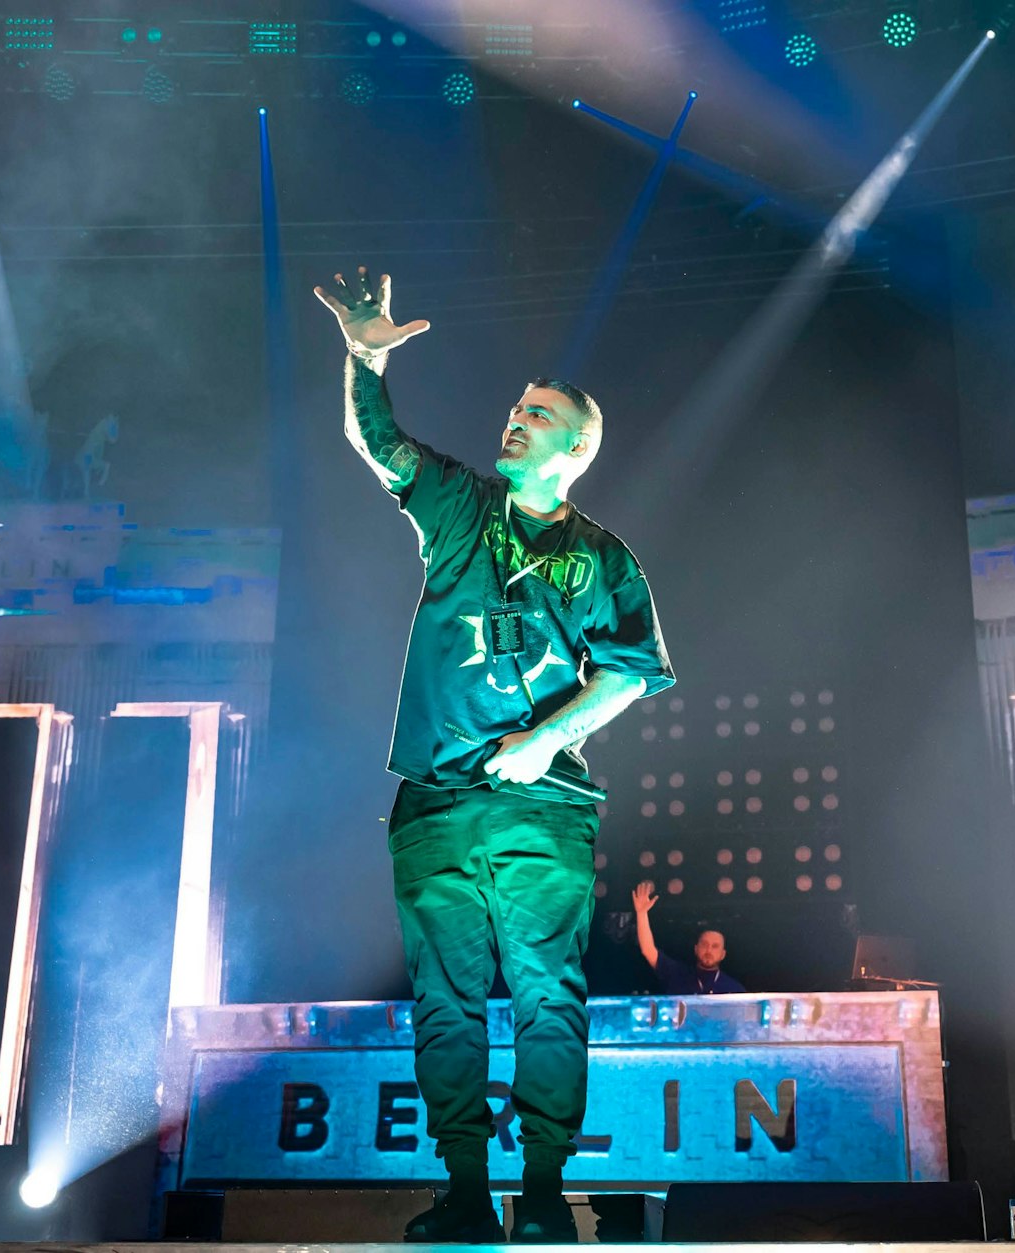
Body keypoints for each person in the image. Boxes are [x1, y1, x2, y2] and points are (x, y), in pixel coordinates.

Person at [314, 267, 675, 1244]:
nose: (515, 420)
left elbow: (632, 673)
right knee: (445, 999)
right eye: (516, 408)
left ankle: (546, 1191)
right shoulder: (458, 506)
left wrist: (543, 739)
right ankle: (467, 1188)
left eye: (538, 414)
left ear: (577, 447)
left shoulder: (602, 557)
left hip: (543, 807)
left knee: (549, 993)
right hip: (433, 800)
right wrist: (364, 360)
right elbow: (377, 443)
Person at [631, 880, 746, 995]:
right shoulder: (676, 974)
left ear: (723, 954)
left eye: (715, 946)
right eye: (704, 944)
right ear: (696, 949)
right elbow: (648, 950)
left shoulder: (734, 989)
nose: (709, 950)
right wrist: (642, 914)